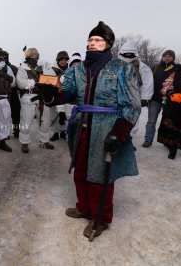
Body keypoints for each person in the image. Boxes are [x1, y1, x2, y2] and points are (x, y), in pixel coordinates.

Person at [40, 21, 140, 239]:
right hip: (81, 124)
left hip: (106, 126)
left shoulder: (122, 69)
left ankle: (100, 217)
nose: (92, 43)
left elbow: (132, 105)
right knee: (80, 168)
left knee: (100, 173)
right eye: (90, 40)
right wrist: (50, 95)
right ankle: (84, 207)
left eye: (97, 40)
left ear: (108, 44)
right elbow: (67, 92)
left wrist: (119, 132)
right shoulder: (78, 69)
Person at [16, 48, 54, 153]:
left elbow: (51, 80)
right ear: (27, 56)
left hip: (42, 97)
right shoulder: (22, 69)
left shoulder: (42, 68)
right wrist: (34, 82)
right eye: (32, 55)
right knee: (26, 120)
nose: (34, 56)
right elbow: (21, 84)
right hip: (28, 97)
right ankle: (24, 142)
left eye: (36, 55)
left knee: (45, 120)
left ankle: (44, 140)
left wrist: (48, 71)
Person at [118, 40, 153, 140]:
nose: (128, 56)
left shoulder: (142, 67)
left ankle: (128, 139)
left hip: (134, 98)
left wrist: (145, 97)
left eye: (130, 54)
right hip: (116, 97)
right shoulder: (115, 64)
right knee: (116, 119)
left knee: (132, 120)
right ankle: (116, 139)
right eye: (126, 54)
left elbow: (148, 83)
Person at [142, 50, 178, 148]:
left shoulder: (177, 69)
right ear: (162, 57)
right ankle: (148, 140)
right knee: (151, 121)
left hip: (169, 99)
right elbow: (148, 82)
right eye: (165, 56)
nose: (167, 58)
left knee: (168, 121)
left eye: (169, 56)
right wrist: (146, 96)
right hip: (155, 98)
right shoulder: (155, 68)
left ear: (173, 58)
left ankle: (167, 141)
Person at [49, 51, 69, 141]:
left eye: (65, 60)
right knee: (54, 115)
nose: (63, 61)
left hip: (65, 96)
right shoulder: (52, 70)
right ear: (58, 60)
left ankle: (63, 132)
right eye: (61, 60)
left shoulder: (70, 69)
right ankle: (56, 132)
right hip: (55, 96)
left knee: (65, 115)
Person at [5, 51, 21, 138]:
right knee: (5, 115)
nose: (4, 59)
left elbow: (18, 81)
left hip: (13, 93)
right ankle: (6, 133)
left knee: (16, 113)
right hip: (3, 95)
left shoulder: (13, 68)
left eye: (5, 57)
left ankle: (16, 130)